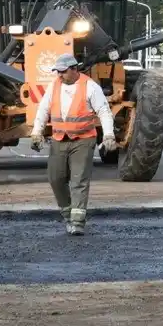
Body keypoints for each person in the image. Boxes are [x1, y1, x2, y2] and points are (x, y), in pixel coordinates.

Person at [30, 53, 116, 235]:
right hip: (59, 140)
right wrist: (37, 132)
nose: (60, 75)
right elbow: (43, 109)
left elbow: (104, 111)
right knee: (56, 178)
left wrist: (108, 135)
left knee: (79, 180)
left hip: (83, 140)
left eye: (63, 71)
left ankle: (77, 222)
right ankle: (68, 213)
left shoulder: (90, 87)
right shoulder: (54, 86)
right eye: (58, 72)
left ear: (74, 69)